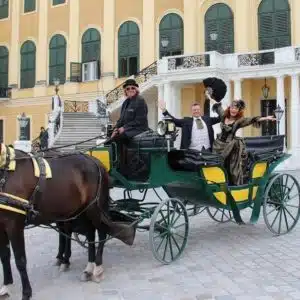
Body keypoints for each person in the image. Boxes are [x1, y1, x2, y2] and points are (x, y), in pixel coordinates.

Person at [206, 90, 276, 185]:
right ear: (229, 108)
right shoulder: (223, 116)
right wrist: (209, 97)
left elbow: (251, 119)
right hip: (218, 145)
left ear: (239, 111)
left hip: (230, 147)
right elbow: (217, 106)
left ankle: (233, 186)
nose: (233, 110)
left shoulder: (239, 121)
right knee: (217, 165)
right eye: (232, 108)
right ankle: (218, 184)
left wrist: (266, 118)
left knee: (231, 167)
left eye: (236, 109)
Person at [110, 79, 148, 143]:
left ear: (136, 90)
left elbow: (140, 120)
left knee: (119, 138)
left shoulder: (140, 100)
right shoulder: (125, 102)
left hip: (139, 129)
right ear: (125, 91)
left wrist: (124, 128)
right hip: (128, 129)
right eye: (128, 88)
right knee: (109, 136)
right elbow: (121, 119)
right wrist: (115, 129)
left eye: (133, 88)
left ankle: (122, 153)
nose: (130, 90)